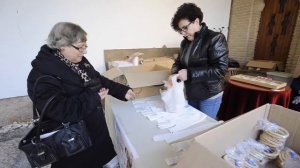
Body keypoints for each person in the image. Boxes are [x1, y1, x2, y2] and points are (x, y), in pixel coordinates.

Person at [27, 22, 135, 168]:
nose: (84, 52)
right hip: (72, 145)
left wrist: (121, 90)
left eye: (85, 46)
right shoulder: (40, 76)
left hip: (98, 135)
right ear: (61, 45)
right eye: (80, 47)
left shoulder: (77, 61)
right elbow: (61, 110)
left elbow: (97, 80)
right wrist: (94, 97)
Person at [170, 3, 228, 119]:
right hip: (191, 93)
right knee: (192, 126)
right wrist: (175, 74)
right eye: (180, 30)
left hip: (209, 95)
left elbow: (220, 70)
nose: (183, 33)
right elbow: (178, 63)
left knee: (204, 130)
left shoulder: (215, 38)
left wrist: (190, 74)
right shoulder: (184, 43)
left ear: (196, 21)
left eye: (185, 28)